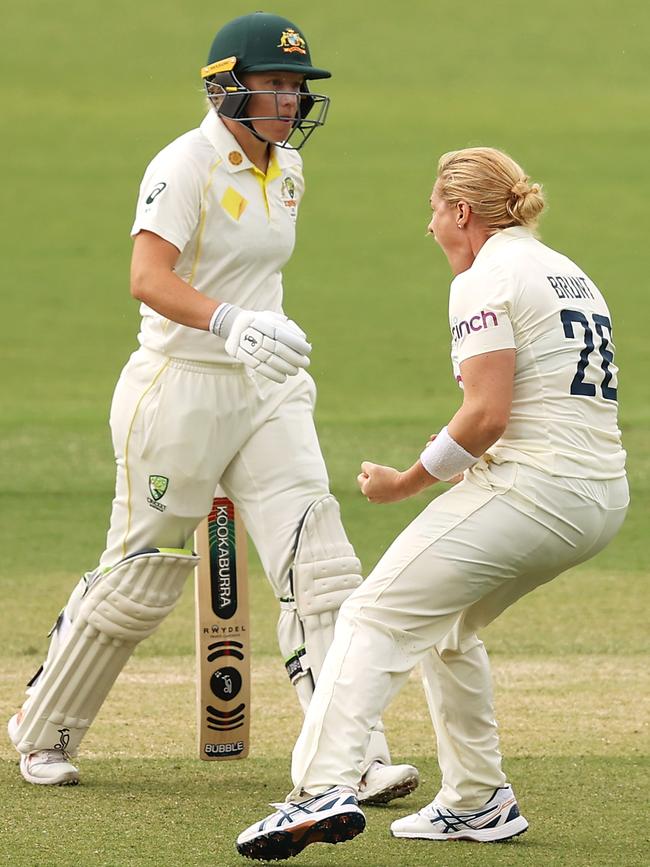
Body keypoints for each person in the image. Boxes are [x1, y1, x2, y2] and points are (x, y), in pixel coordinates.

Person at [7, 12, 418, 804]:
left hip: (266, 387)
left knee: (321, 562)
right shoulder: (184, 164)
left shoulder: (288, 168)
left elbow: (259, 271)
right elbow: (147, 276)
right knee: (143, 575)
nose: (292, 100)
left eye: (298, 87)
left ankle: (351, 755)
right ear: (228, 86)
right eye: (276, 85)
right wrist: (229, 320)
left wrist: (263, 333)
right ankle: (45, 728)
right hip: (180, 386)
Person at [235, 146, 629, 861]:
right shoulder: (565, 269)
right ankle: (479, 799)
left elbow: (486, 415)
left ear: (462, 212)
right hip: (601, 494)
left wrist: (406, 480)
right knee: (444, 625)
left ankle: (318, 789)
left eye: (433, 209)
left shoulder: (487, 275)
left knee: (373, 612)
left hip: (538, 488)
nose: (429, 226)